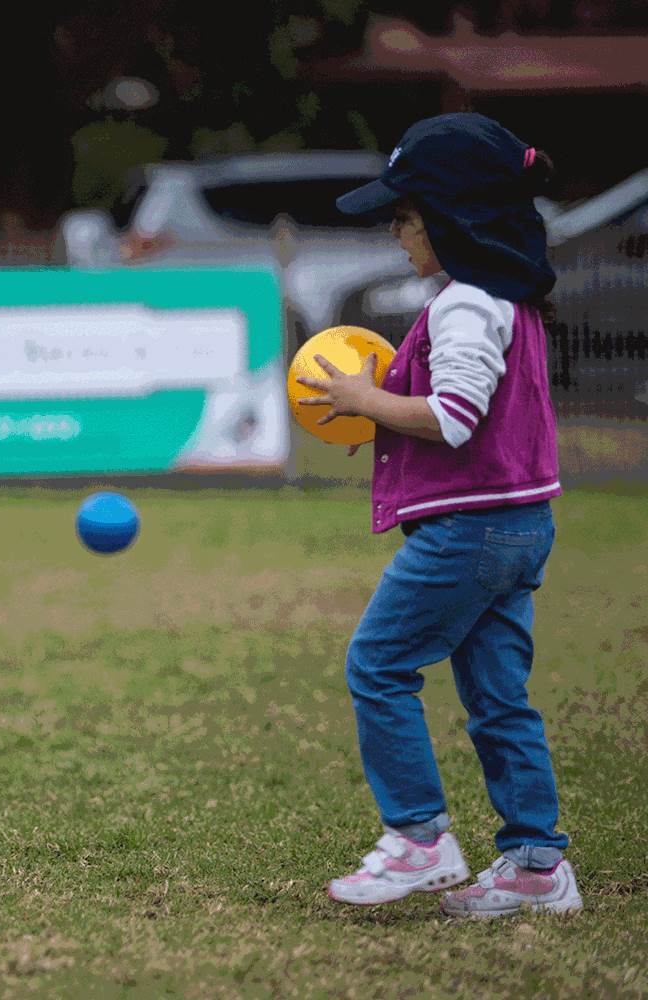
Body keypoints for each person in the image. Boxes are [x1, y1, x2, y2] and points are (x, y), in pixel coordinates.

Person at [297, 113, 581, 917]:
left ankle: (419, 840)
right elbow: (477, 418)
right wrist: (382, 414)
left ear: (455, 218)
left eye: (405, 217)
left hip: (471, 533)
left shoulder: (464, 304)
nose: (395, 234)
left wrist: (365, 398)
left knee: (377, 664)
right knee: (499, 697)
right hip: (521, 526)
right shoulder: (505, 297)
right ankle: (535, 866)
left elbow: (455, 415)